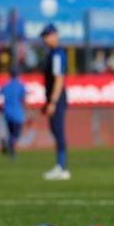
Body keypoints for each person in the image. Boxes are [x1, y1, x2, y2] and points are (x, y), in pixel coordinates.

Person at [40, 23, 70, 180]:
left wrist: (52, 101)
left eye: (47, 36)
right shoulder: (53, 53)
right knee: (55, 130)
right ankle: (60, 165)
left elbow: (59, 79)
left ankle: (62, 167)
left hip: (56, 99)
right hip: (54, 98)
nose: (45, 40)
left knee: (58, 131)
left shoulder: (57, 55)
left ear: (55, 36)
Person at [0, 68, 26, 160]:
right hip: (17, 113)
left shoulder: (6, 85)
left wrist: (0, 108)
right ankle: (8, 144)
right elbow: (24, 99)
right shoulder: (20, 85)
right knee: (16, 134)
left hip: (7, 113)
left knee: (11, 133)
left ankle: (11, 151)